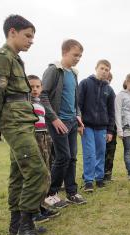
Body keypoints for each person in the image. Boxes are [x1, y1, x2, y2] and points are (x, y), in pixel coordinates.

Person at [0, 14, 50, 235]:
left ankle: (16, 224)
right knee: (38, 172)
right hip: (14, 122)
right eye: (28, 36)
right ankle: (25, 228)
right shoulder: (2, 58)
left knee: (19, 172)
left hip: (23, 120)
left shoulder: (16, 59)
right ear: (12, 32)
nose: (31, 41)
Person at [40, 39, 87, 206]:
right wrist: (54, 118)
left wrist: (78, 114)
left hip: (72, 121)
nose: (78, 58)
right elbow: (42, 95)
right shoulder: (53, 70)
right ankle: (50, 193)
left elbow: (75, 98)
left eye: (80, 56)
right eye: (75, 55)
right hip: (59, 122)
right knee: (63, 157)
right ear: (65, 52)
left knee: (72, 158)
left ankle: (71, 193)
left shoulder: (73, 73)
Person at [78, 59, 115, 192]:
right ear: (96, 68)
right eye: (102, 68)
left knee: (101, 153)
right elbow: (78, 105)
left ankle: (99, 179)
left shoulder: (109, 90)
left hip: (102, 128)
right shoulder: (85, 83)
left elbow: (111, 112)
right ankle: (88, 181)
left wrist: (110, 130)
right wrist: (79, 123)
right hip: (87, 126)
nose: (104, 71)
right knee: (90, 153)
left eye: (107, 69)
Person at [28, 75, 60, 223]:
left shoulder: (41, 103)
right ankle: (33, 210)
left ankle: (41, 206)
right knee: (38, 174)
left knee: (46, 172)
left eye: (37, 86)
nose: (34, 89)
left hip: (45, 137)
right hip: (34, 138)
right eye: (31, 86)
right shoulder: (26, 103)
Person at [104, 72, 117, 182]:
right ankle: (95, 174)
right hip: (99, 126)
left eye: (109, 79)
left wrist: (112, 129)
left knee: (110, 151)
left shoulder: (111, 92)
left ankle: (108, 175)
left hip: (111, 126)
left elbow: (113, 111)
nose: (107, 81)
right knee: (98, 152)